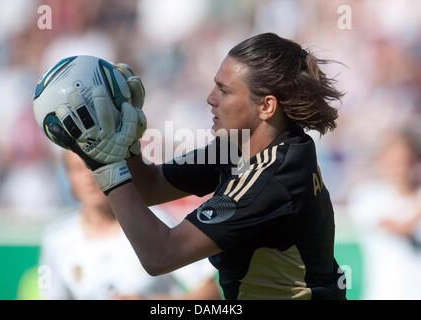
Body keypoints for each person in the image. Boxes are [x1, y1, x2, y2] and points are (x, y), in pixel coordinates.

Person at [46, 32, 346, 300]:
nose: (210, 98)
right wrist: (126, 143)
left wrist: (105, 164)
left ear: (266, 106)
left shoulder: (272, 178)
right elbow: (150, 187)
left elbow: (160, 255)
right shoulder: (239, 147)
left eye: (224, 91)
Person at [39, 150, 220, 300]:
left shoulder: (155, 220)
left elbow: (209, 294)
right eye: (78, 169)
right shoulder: (56, 239)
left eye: (93, 167)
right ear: (67, 177)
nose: (88, 178)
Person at [348, 130, 421, 299]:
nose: (401, 167)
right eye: (395, 160)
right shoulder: (368, 195)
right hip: (385, 293)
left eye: (406, 160)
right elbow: (399, 228)